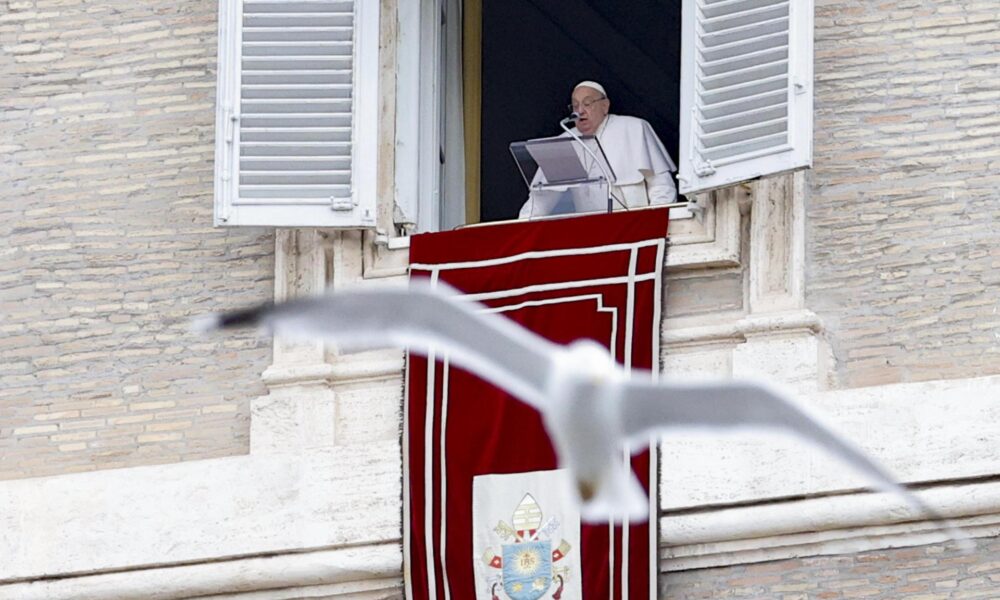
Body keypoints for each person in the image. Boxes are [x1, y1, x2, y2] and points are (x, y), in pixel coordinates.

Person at [518, 81, 677, 219]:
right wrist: (520, 226)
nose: (579, 111)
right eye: (575, 105)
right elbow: (542, 199)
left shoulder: (634, 128)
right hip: (588, 230)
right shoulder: (563, 142)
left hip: (633, 226)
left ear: (604, 106)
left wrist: (654, 222)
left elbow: (661, 186)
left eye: (587, 104)